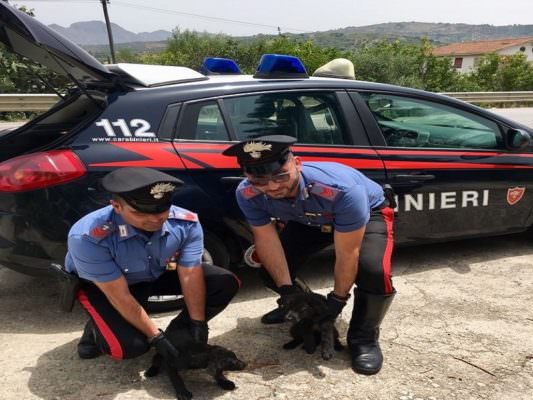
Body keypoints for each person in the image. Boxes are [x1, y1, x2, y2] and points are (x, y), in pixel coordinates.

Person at [222, 135, 395, 375]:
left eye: (281, 176)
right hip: (307, 219)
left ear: (298, 164)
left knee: (374, 271)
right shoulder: (247, 193)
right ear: (248, 177)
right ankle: (305, 308)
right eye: (260, 180)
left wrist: (337, 301)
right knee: (271, 273)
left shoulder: (341, 190)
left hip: (365, 213)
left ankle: (363, 337)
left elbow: (347, 253)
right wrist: (287, 292)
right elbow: (266, 240)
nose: (272, 187)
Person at [65, 167, 239, 365]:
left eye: (162, 209)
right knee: (130, 347)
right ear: (116, 206)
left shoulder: (186, 223)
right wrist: (156, 337)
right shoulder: (89, 236)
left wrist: (197, 323)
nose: (155, 219)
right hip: (103, 286)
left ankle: (180, 333)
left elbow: (190, 274)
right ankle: (95, 330)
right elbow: (119, 295)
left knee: (224, 281)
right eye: (141, 213)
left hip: (151, 274)